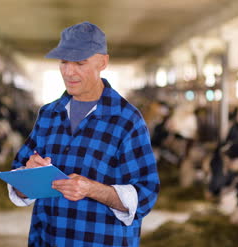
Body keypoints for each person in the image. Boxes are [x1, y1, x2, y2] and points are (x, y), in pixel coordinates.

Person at [8, 21, 160, 247]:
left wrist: (93, 190)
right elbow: (18, 183)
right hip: (48, 238)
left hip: (102, 240)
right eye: (64, 62)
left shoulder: (126, 120)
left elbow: (146, 193)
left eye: (79, 63)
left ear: (103, 62)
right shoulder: (49, 114)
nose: (69, 72)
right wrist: (29, 174)